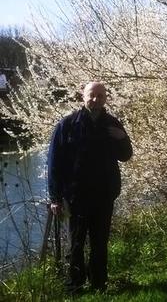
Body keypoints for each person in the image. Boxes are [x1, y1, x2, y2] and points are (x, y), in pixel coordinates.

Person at [48, 82, 133, 293]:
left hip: (104, 195)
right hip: (76, 196)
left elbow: (126, 156)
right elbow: (54, 163)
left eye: (100, 96)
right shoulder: (67, 125)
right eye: (91, 95)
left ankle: (99, 284)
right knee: (75, 243)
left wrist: (123, 139)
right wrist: (55, 198)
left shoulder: (113, 124)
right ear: (83, 97)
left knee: (100, 242)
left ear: (106, 98)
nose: (96, 100)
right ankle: (75, 285)